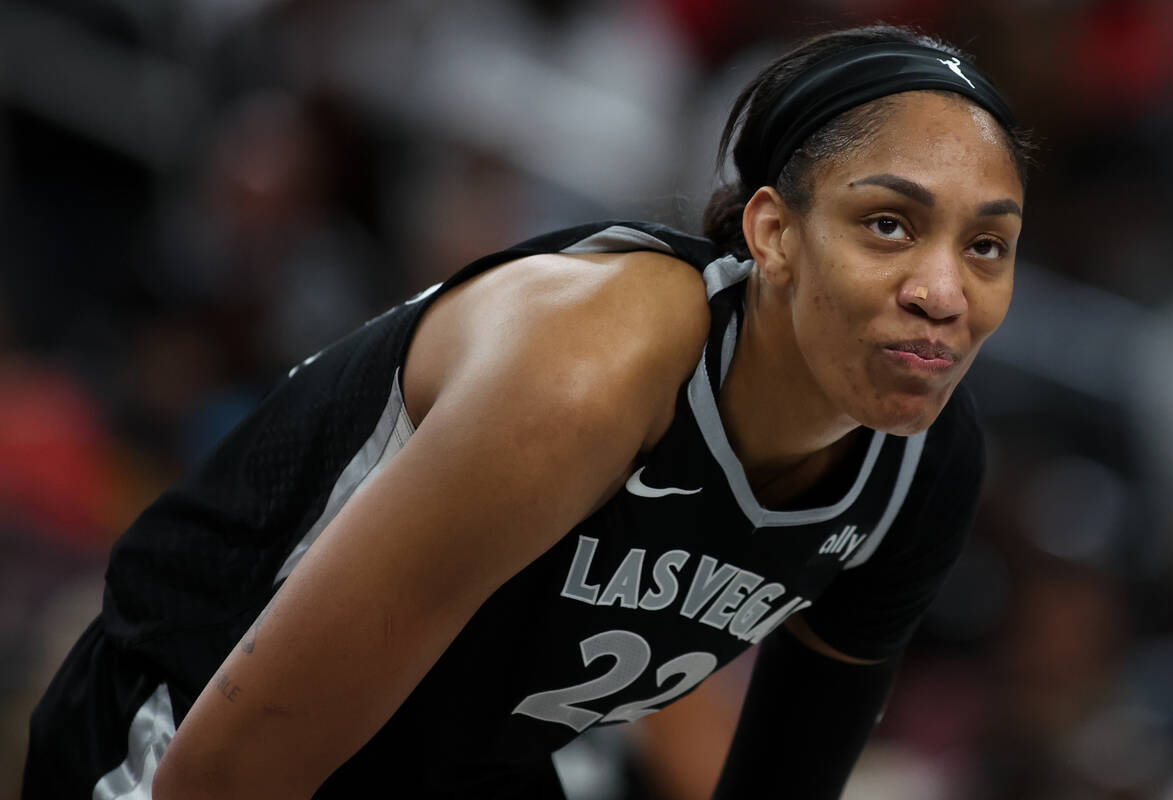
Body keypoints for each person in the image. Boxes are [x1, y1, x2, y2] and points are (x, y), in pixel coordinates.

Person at [23, 23, 1031, 799]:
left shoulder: (923, 467)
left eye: (987, 246)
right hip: (195, 715)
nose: (944, 291)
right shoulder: (588, 369)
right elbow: (230, 768)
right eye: (888, 224)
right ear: (772, 232)